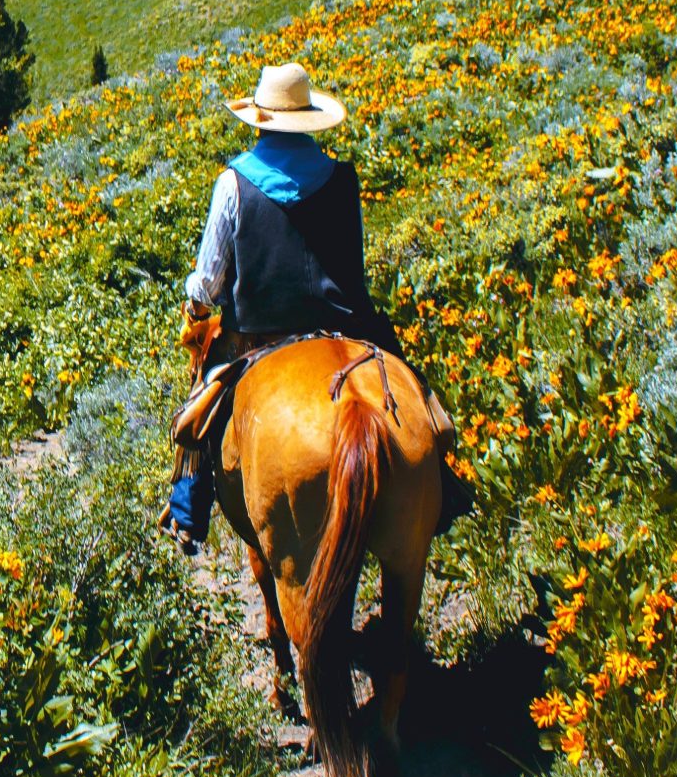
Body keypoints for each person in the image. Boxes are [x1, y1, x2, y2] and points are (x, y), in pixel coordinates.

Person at [165, 62, 471, 547]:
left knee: (200, 407)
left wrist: (197, 313)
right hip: (346, 332)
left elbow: (207, 280)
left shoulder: (234, 184)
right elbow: (353, 265)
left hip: (257, 337)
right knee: (416, 393)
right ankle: (443, 483)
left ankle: (188, 510)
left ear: (260, 119)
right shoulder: (341, 178)